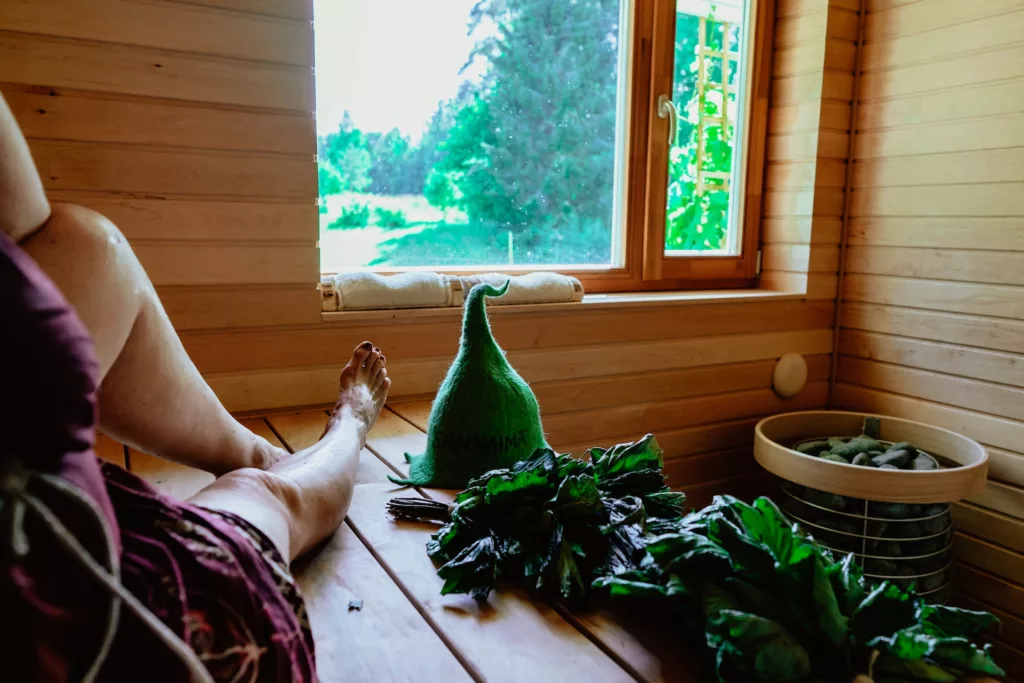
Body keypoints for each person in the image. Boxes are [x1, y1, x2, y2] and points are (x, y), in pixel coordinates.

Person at [0, 89, 388, 682]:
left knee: (85, 244)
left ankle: (252, 452)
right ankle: (347, 424)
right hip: (112, 624)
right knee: (274, 501)